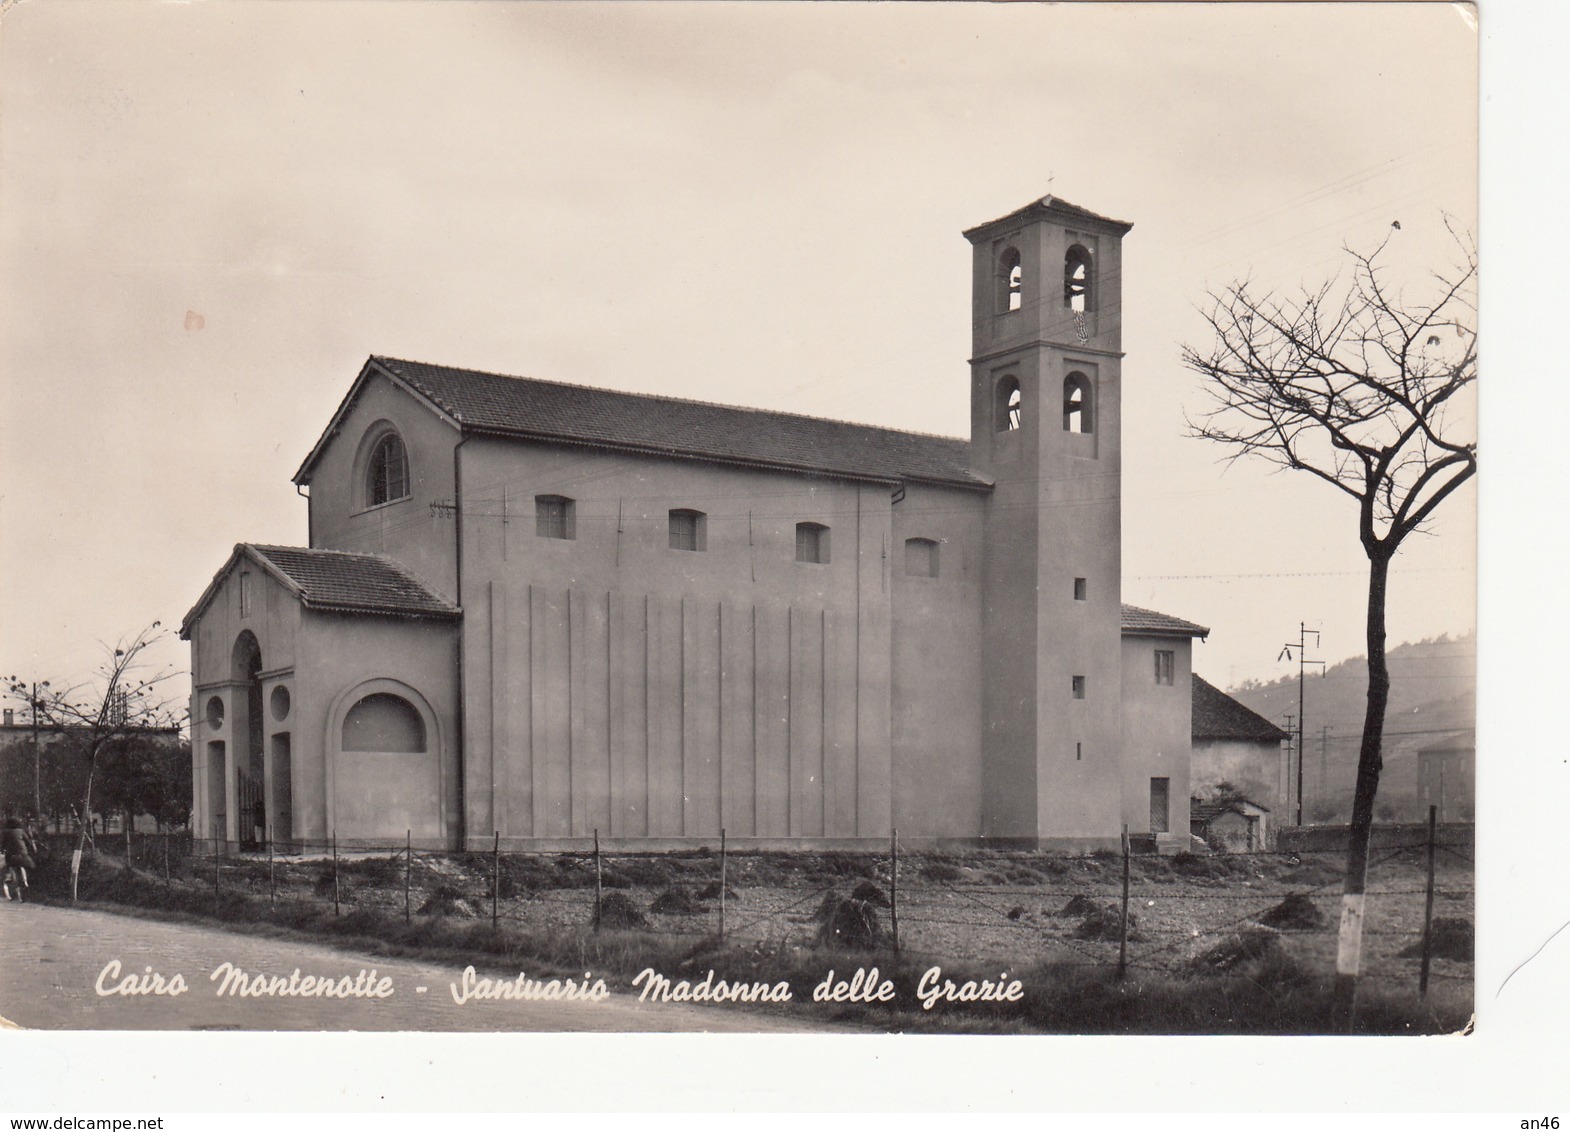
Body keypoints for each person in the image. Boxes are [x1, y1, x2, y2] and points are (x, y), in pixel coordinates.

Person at [3, 816, 37, 901]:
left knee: (12, 869)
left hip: (12, 856)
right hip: (24, 855)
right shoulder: (21, 831)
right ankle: (25, 882)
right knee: (22, 866)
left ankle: (15, 889)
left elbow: (2, 844)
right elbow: (29, 842)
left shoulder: (5, 832)